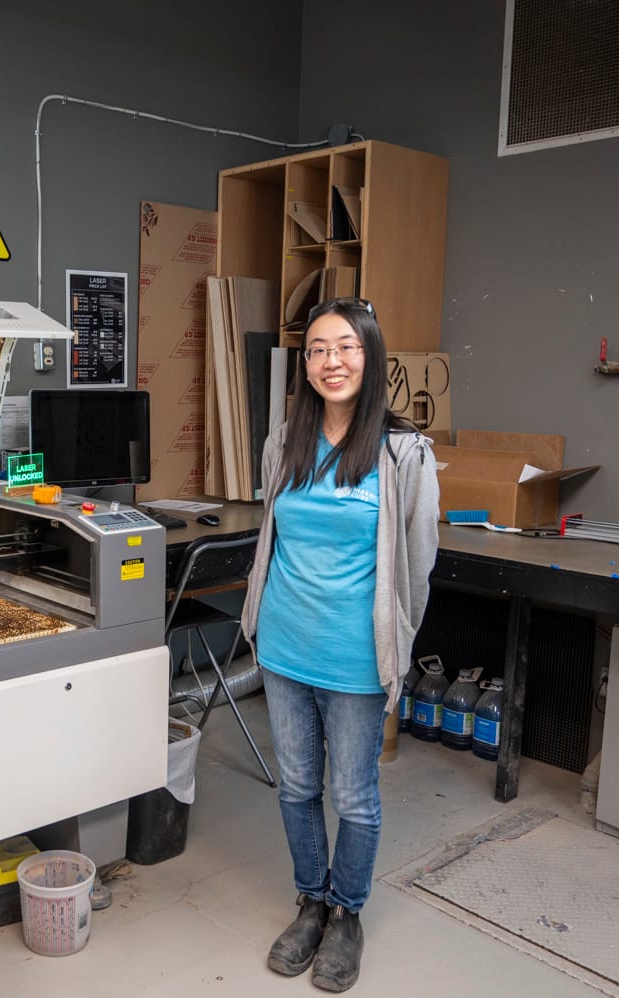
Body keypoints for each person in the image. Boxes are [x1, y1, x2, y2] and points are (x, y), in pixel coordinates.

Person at [240, 297, 439, 992]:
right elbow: (274, 536)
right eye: (319, 349)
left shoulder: (403, 453)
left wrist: (398, 650)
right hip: (286, 648)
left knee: (354, 796)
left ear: (372, 355)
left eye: (347, 347)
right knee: (296, 786)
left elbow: (417, 565)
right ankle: (310, 901)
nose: (333, 361)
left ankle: (346, 913)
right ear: (305, 364)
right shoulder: (283, 444)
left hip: (357, 657)